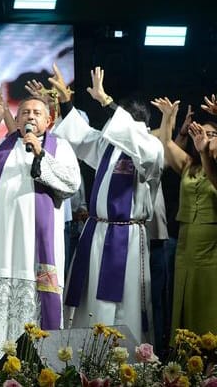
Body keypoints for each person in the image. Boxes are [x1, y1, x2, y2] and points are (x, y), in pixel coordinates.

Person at [48, 65, 163, 344]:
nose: (111, 126)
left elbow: (137, 142)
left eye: (118, 119)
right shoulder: (108, 146)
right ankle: (89, 350)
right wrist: (65, 101)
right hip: (97, 231)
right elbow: (80, 136)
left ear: (135, 124)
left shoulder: (151, 149)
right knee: (91, 298)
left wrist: (106, 100)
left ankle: (126, 351)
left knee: (123, 304)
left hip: (127, 236)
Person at [0, 94, 80, 365]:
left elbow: (71, 184)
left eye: (36, 112)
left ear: (48, 120)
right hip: (4, 243)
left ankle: (41, 364)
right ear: (17, 119)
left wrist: (40, 154)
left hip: (38, 244)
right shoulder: (3, 147)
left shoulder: (60, 146)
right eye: (25, 112)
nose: (30, 116)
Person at [152, 96, 217, 337]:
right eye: (202, 133)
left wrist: (206, 153)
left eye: (212, 134)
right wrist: (168, 117)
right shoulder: (189, 164)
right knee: (184, 294)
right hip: (186, 241)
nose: (205, 137)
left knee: (208, 296)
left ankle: (210, 349)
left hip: (211, 245)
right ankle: (186, 351)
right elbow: (166, 142)